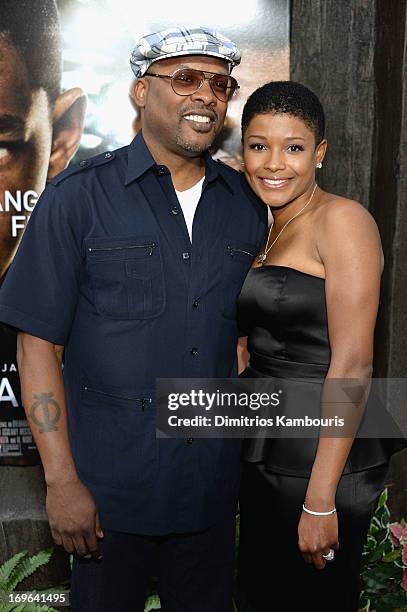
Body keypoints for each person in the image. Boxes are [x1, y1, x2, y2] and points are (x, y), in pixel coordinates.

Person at [0, 25, 267, 611]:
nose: (207, 97)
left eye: (220, 85)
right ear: (140, 92)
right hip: (107, 497)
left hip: (210, 496)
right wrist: (61, 481)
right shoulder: (78, 198)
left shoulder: (248, 207)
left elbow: (247, 334)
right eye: (186, 79)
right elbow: (36, 347)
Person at [236, 81, 406, 612]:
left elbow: (354, 361)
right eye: (259, 145)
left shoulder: (343, 220)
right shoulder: (265, 228)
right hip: (266, 440)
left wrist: (320, 498)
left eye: (294, 147)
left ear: (320, 153)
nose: (274, 163)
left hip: (320, 453)